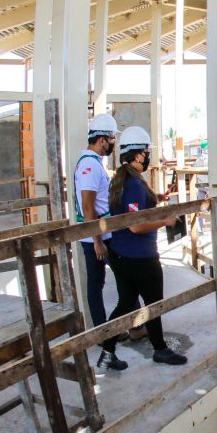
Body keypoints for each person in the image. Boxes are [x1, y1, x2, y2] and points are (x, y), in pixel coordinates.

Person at [97, 126, 188, 370]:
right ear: (138, 155)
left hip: (121, 255)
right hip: (140, 258)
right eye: (146, 152)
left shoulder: (122, 180)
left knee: (125, 304)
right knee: (153, 304)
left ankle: (107, 351)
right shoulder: (134, 185)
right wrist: (165, 220)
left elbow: (131, 210)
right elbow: (136, 226)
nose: (148, 157)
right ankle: (160, 349)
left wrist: (157, 199)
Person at [74, 113, 129, 339]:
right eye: (111, 140)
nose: (113, 144)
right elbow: (88, 206)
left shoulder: (94, 163)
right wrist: (97, 240)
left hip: (102, 233)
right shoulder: (89, 165)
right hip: (96, 237)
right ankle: (103, 333)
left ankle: (122, 327)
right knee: (97, 284)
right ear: (102, 140)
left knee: (117, 279)